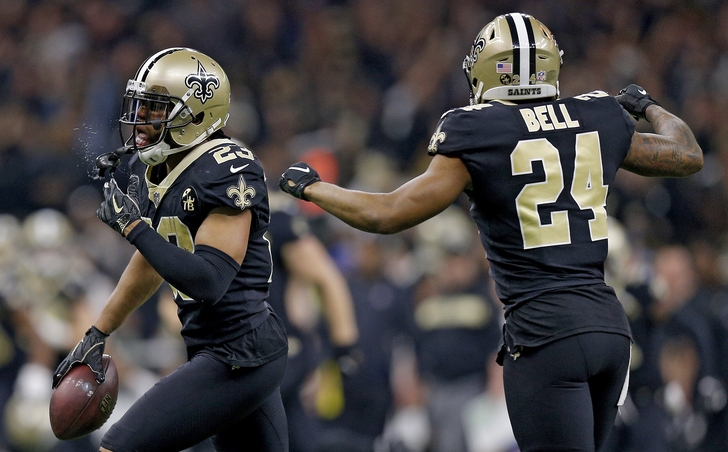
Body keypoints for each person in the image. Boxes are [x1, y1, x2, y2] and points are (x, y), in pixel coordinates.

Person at [278, 12, 703, 452]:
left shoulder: (476, 129)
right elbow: (687, 154)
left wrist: (315, 188)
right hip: (609, 333)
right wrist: (648, 104)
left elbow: (387, 213)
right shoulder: (597, 114)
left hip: (544, 337)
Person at [52, 48, 289, 452]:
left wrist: (132, 226)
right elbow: (152, 261)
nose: (141, 119)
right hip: (218, 350)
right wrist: (99, 330)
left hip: (239, 353)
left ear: (198, 113)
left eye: (155, 108)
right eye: (141, 106)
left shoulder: (226, 168)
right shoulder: (158, 170)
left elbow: (210, 280)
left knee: (118, 447)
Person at [266, 193, 359, 452]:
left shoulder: (272, 214)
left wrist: (344, 343)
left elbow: (327, 276)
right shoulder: (193, 212)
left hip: (275, 350)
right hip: (242, 353)